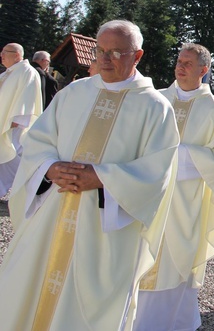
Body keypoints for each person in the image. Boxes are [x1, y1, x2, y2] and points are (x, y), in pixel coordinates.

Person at [0, 20, 179, 329]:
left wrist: (102, 177)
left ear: (137, 56)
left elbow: (157, 172)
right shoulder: (73, 94)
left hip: (106, 227)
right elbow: (38, 142)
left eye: (116, 53)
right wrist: (51, 168)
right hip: (53, 213)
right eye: (101, 51)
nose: (105, 59)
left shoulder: (156, 108)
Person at [135, 43, 214, 331]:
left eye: (188, 63)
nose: (180, 66)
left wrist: (178, 154)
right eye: (179, 60)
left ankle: (170, 323)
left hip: (185, 199)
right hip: (147, 193)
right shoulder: (156, 99)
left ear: (203, 71)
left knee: (175, 261)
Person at [0, 42, 43, 196]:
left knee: (10, 156)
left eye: (6, 52)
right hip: (3, 124)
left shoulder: (27, 72)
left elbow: (27, 99)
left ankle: (37, 184)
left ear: (17, 55)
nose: (1, 55)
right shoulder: (8, 73)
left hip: (14, 126)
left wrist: (15, 121)